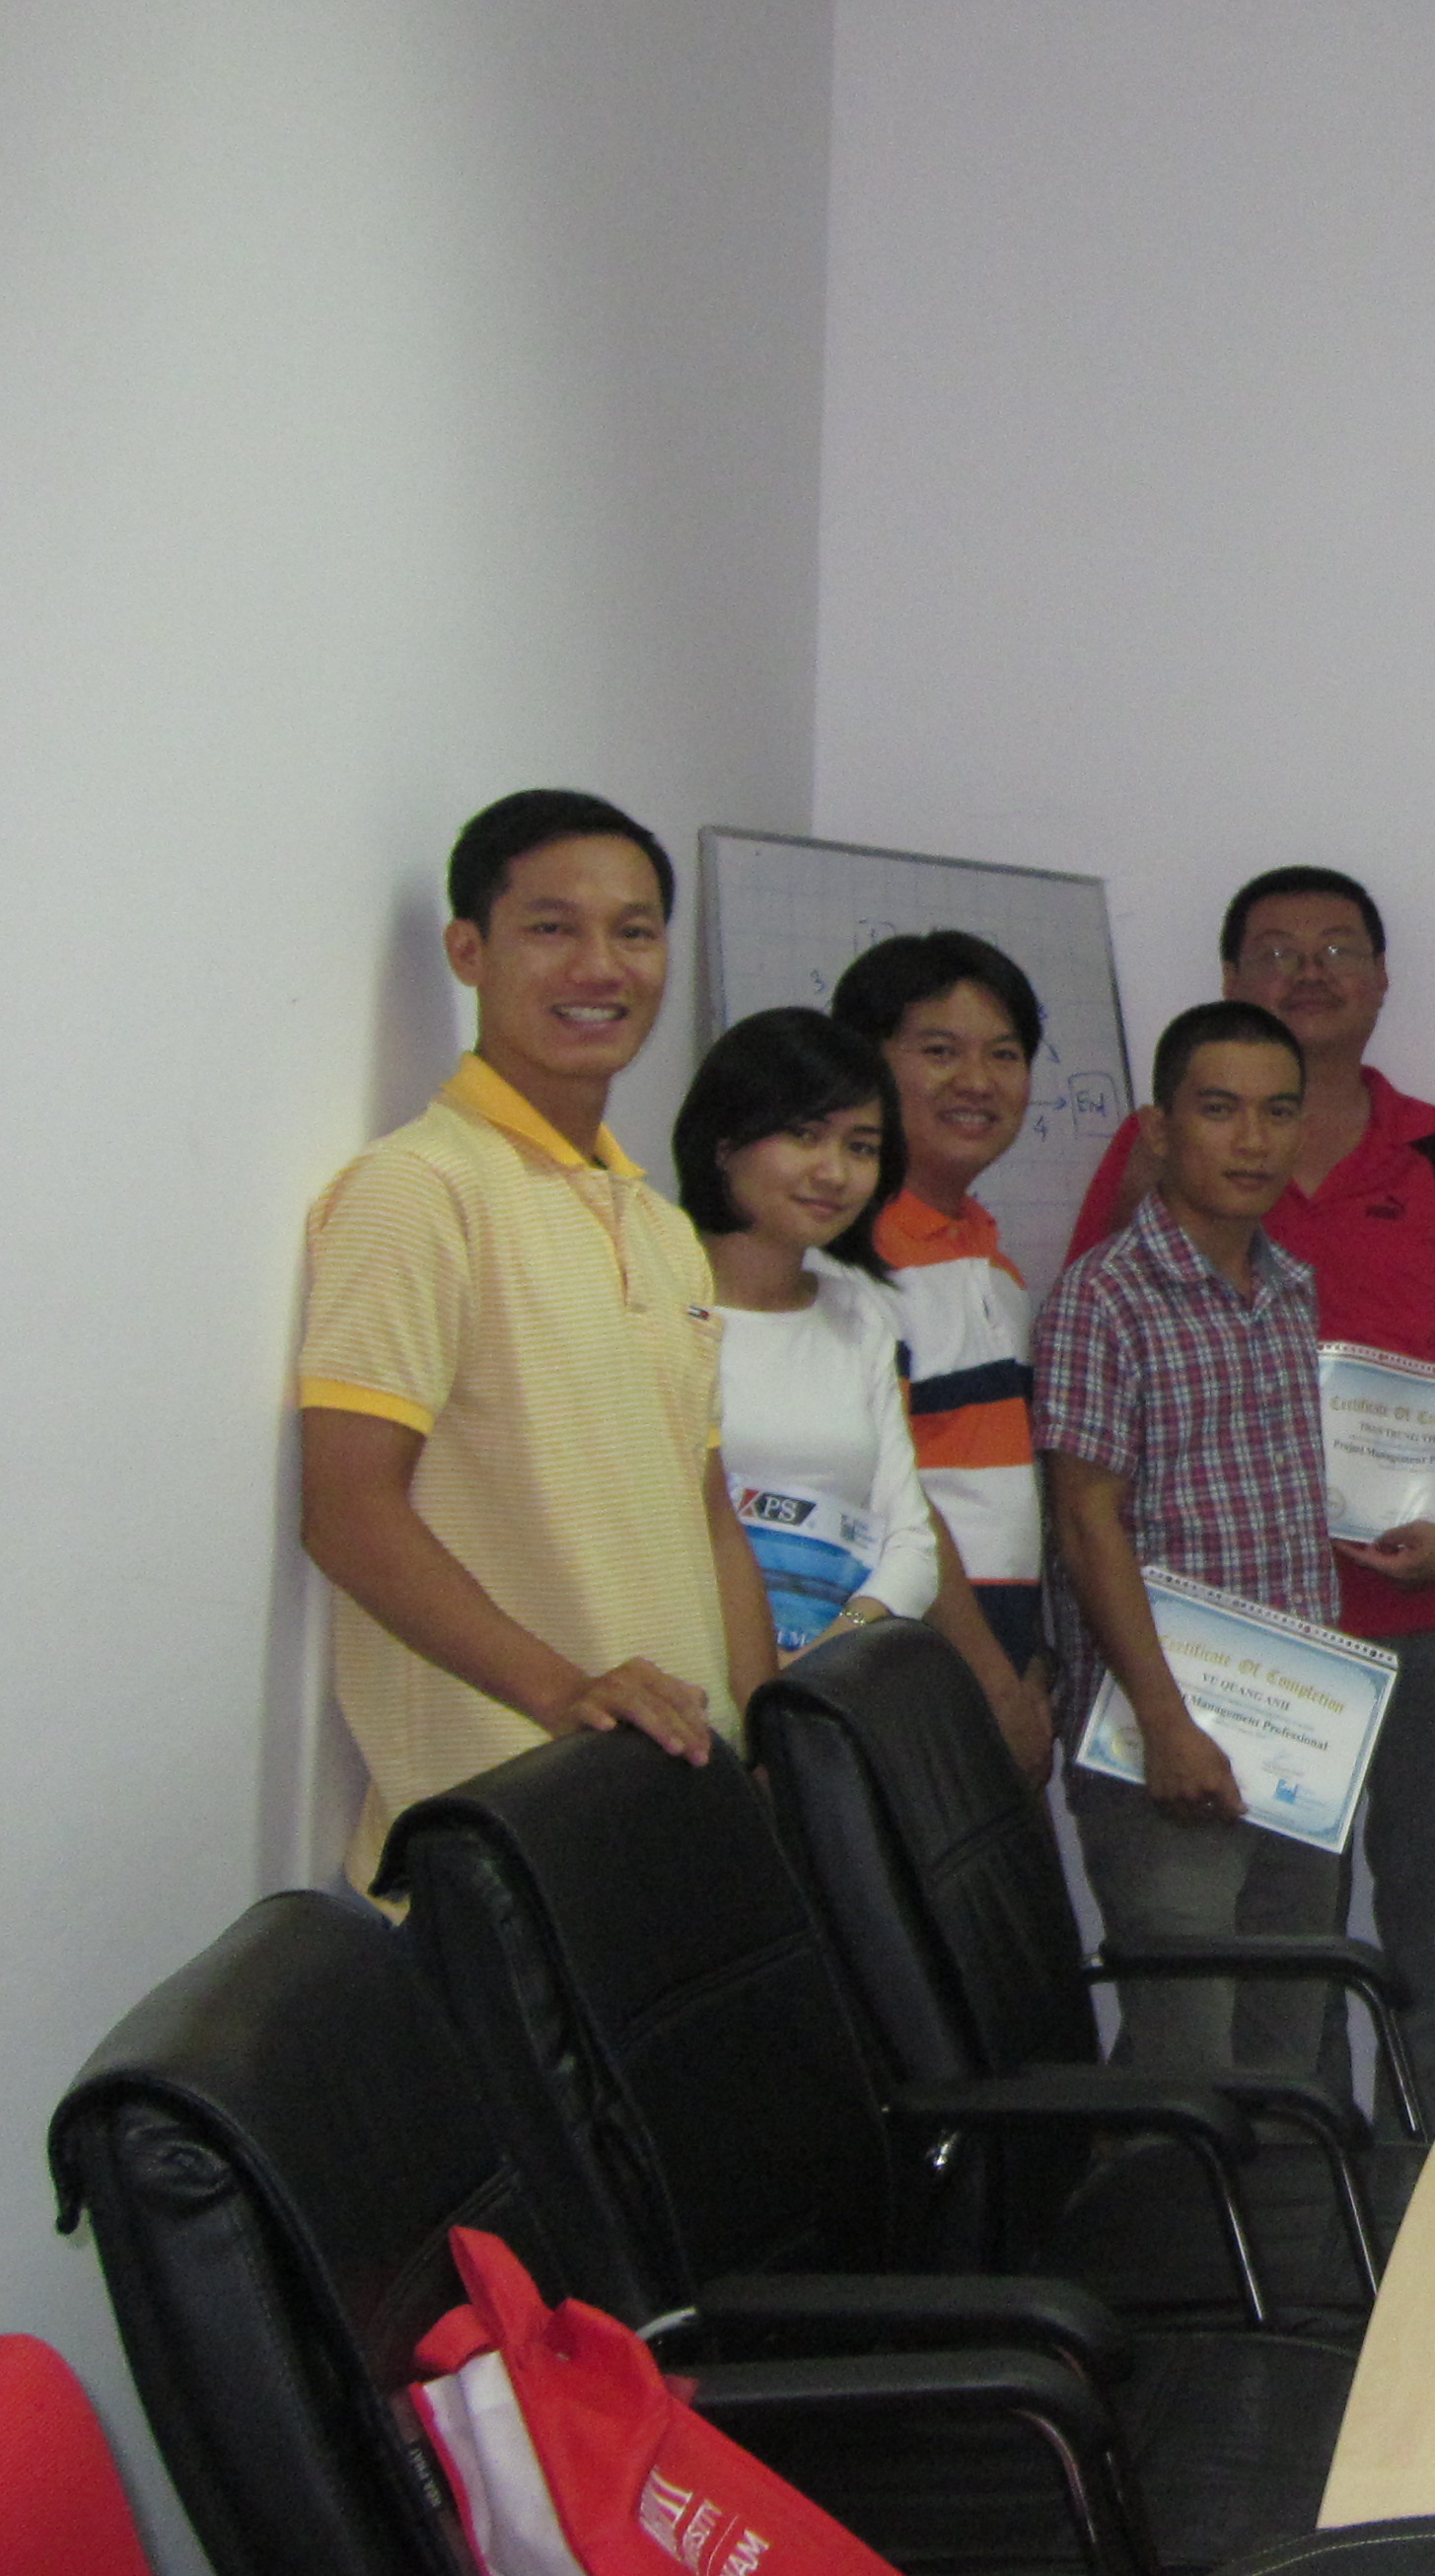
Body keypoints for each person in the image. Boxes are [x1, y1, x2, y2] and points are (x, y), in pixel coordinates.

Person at [1070, 868, 1435, 2121]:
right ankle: (1264, 2199)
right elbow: (1091, 1465)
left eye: (1337, 949)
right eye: (1276, 951)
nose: (1309, 973)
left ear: (1380, 979)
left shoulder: (1434, 1153)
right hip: (1226, 1652)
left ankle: (1408, 2184)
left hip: (1415, 1625)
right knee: (1245, 1972)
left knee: (1411, 1926)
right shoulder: (1147, 1183)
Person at [299, 791, 773, 1886]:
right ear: (469, 951)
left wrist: (759, 1745)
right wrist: (567, 1694)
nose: (599, 967)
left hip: (671, 1817)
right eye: (552, 928)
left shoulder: (659, 1226)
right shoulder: (417, 1192)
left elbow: (705, 1510)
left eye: (634, 931)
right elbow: (348, 1510)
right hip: (500, 1848)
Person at [1033, 1000, 1342, 2084]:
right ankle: (1166, 2209)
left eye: (1277, 1112)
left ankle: (1285, 2210)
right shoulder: (1102, 1299)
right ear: (1159, 1131)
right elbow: (1086, 1522)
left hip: (1298, 1744)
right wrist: (1167, 1726)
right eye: (1219, 1110)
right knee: (1187, 2066)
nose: (1252, 1141)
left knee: (1287, 2050)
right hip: (1162, 1749)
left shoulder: (1291, 1290)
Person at [830, 929, 1059, 1773]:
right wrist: (993, 1683)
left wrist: (1025, 1667)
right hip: (902, 1669)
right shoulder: (850, 1263)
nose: (977, 1081)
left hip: (994, 1660)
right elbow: (892, 1503)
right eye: (939, 1051)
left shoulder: (992, 1261)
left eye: (1004, 1054)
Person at [674, 1009, 944, 1661]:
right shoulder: (655, 1308)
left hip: (825, 1684)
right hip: (677, 1674)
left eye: (861, 1147)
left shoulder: (860, 1316)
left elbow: (912, 1546)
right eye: (804, 1135)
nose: (834, 1173)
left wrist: (820, 1657)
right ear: (724, 1142)